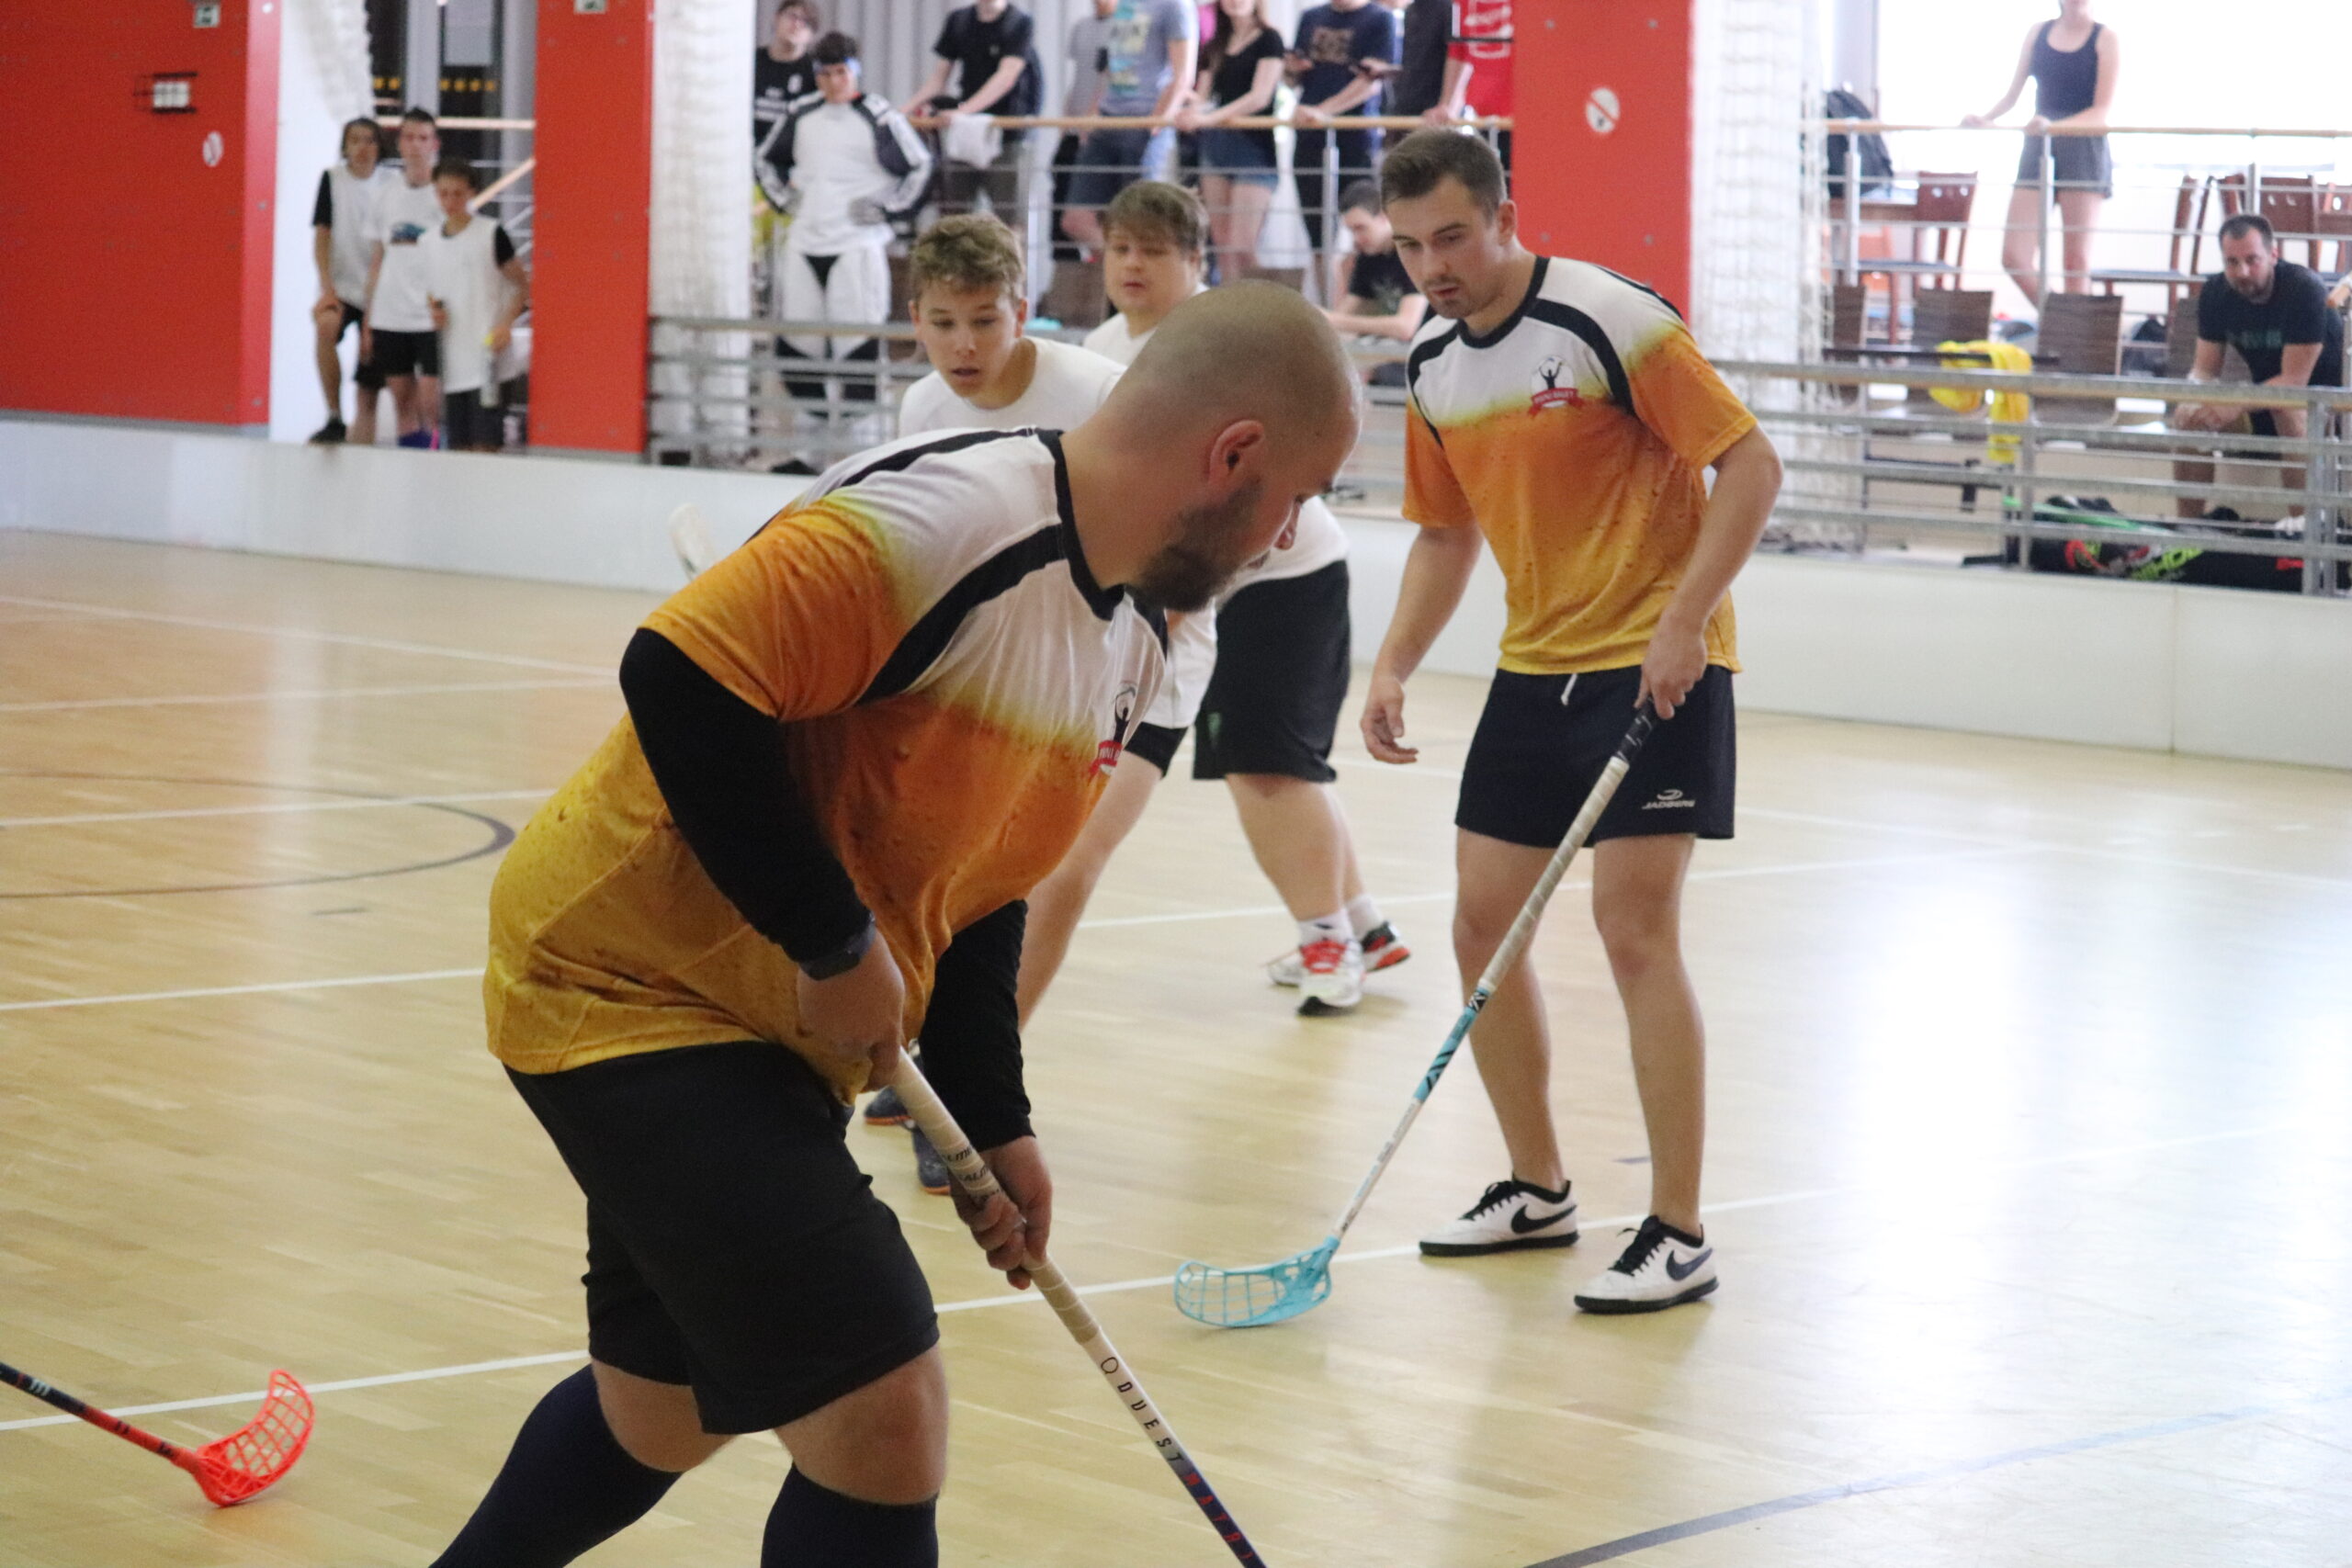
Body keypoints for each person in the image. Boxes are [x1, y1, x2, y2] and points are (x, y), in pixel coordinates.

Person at [428, 285, 1359, 1568]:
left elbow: (978, 880)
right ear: (1234, 453)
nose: (1288, 534)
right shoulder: (949, 521)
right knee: (883, 1414)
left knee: (662, 1408)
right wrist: (828, 937)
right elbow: (680, 673)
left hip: (757, 1024)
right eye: (1295, 498)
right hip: (628, 983)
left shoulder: (1135, 634)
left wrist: (995, 1115)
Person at [1366, 131, 1781, 1314]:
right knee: (1480, 929)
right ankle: (1536, 1187)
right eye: (1410, 248)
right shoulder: (1432, 359)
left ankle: (1677, 1230)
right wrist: (1392, 662)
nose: (1434, 268)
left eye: (1453, 237)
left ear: (1505, 217)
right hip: (1533, 668)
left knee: (1631, 929)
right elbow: (1444, 533)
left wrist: (1685, 621)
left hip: (1655, 664)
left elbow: (1750, 466)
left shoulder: (1609, 319)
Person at [1074, 183, 1408, 1019]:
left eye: (1154, 251)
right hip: (1197, 581)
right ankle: (1364, 926)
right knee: (1277, 765)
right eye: (1121, 248)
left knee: (1268, 769)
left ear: (1197, 261)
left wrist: (1165, 611)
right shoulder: (1101, 349)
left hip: (1278, 575)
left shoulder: (1231, 344)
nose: (1133, 265)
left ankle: (1328, 941)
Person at [756, 33, 932, 448]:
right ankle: (806, 449)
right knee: (800, 346)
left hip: (856, 244)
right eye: (825, 74)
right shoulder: (800, 112)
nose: (834, 82)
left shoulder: (878, 114)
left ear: (854, 71)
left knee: (858, 346)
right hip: (804, 242)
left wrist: (888, 208)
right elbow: (764, 159)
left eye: (841, 72)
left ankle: (861, 451)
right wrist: (783, 199)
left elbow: (920, 165)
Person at [2170, 213, 2346, 517]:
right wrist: (2195, 396)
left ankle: (2301, 530)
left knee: (2288, 408)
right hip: (2262, 404)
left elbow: (2293, 383)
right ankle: (2188, 528)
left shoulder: (2304, 290)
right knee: (2189, 418)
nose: (2242, 272)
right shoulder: (2215, 292)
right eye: (2232, 262)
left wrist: (2235, 402)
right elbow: (2205, 370)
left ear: (2273, 255)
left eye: (2252, 260)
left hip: (2327, 412)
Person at [1963, 0, 2120, 305]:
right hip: (2039, 145)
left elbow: (2101, 112)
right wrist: (1985, 118)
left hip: (2083, 148)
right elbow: (2012, 95)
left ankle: (2071, 331)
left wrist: (2054, 126)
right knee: (2014, 256)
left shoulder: (2106, 38)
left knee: (2075, 262)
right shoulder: (2038, 33)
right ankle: (2059, 323)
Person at [1058, 0, 1197, 254]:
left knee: (1143, 220)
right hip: (1108, 119)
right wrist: (1094, 111)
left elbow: (1183, 75)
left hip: (1145, 123)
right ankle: (1125, 263)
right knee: (1076, 220)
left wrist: (1157, 122)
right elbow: (1114, 66)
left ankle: (1139, 267)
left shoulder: (1175, 6)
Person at [424, 157, 528, 454]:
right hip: (452, 361)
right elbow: (432, 293)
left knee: (486, 445)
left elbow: (521, 284)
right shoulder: (428, 242)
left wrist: (505, 324)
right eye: (444, 194)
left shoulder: (491, 233)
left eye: (458, 194)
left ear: (471, 193)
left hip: (488, 358)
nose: (450, 202)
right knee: (459, 448)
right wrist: (434, 313)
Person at [359, 108, 450, 449]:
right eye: (409, 137)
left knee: (432, 401)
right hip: (391, 313)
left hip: (430, 314)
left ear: (434, 144)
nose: (415, 145)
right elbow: (377, 260)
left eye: (423, 138)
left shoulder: (445, 195)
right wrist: (368, 320)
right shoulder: (384, 195)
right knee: (402, 404)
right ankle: (410, 463)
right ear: (399, 143)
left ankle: (437, 457)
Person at [1177, 0, 1287, 276]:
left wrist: (1210, 118)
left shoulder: (1270, 39)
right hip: (1217, 148)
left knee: (1242, 245)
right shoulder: (1215, 44)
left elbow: (1260, 97)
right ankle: (1231, 301)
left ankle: (1260, 300)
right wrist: (1187, 108)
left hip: (1254, 149)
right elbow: (1203, 97)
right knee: (1223, 243)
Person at [904, 1, 1042, 219]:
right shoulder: (959, 21)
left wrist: (964, 111)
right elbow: (938, 79)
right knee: (958, 213)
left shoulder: (1019, 23)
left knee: (1009, 216)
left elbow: (1006, 77)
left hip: (1008, 131)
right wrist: (902, 111)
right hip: (967, 131)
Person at [307, 118, 393, 445]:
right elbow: (322, 237)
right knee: (325, 326)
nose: (362, 148)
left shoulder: (390, 183)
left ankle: (362, 433)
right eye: (355, 140)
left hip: (379, 288)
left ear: (379, 146)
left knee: (368, 366)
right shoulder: (333, 179)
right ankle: (334, 415)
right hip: (341, 286)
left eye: (369, 140)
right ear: (345, 145)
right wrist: (326, 287)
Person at [1287, 0, 1397, 254]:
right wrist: (1292, 70)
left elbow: (1371, 82)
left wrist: (1323, 111)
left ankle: (1357, 277)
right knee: (1316, 228)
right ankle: (1326, 279)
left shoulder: (1381, 18)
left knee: (1363, 218)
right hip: (1310, 137)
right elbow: (1294, 79)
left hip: (1356, 137)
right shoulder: (1310, 17)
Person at [1323, 178, 1428, 373]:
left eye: (1361, 228)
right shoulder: (1368, 256)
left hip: (1424, 353)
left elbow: (1406, 327)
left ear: (1385, 217)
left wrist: (1333, 320)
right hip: (1393, 350)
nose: (1356, 239)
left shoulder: (1412, 252)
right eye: (1351, 231)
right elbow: (1345, 314)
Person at [1052, 0, 1121, 260]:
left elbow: (1111, 79)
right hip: (1075, 130)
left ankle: (1116, 263)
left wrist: (1094, 116)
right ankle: (1071, 268)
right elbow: (1079, 78)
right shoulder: (1081, 27)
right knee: (1064, 209)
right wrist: (1067, 121)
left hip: (1104, 130)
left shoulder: (1125, 25)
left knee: (1102, 212)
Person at [1424, 1, 1512, 167]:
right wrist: (1447, 105)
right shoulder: (1461, 4)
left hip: (1522, 113)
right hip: (1482, 113)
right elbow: (1458, 53)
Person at [752, 0, 821, 152]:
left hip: (790, 156)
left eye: (806, 22)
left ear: (812, 35)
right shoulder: (751, 61)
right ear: (776, 18)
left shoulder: (816, 73)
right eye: (792, 16)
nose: (797, 24)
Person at [1383, 0, 1449, 121]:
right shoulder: (1411, 10)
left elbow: (1458, 57)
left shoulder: (1448, 7)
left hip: (1433, 109)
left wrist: (1447, 104)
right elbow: (1415, 61)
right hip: (1404, 104)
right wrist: (1390, 71)